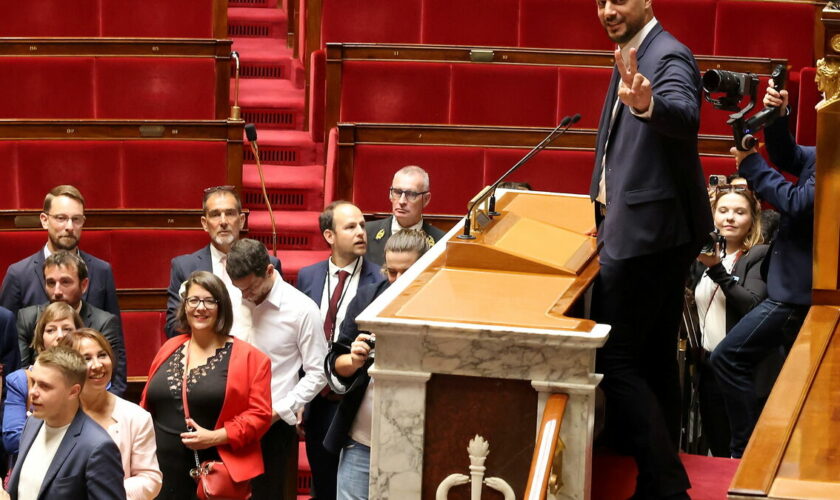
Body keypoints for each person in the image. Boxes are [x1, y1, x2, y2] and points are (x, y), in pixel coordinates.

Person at [587, 1, 712, 498]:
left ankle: (666, 480)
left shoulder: (668, 55)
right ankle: (658, 479)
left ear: (647, 1)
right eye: (600, 2)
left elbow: (683, 114)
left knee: (614, 359)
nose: (608, 10)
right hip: (649, 228)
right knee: (655, 355)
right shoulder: (632, 53)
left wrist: (646, 105)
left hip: (648, 234)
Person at [711, 79, 815, 458]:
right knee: (797, 383)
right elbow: (790, 157)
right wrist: (778, 116)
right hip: (791, 286)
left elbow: (796, 201)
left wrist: (749, 163)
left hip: (799, 293)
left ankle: (749, 454)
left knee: (728, 357)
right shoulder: (830, 150)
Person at [141, 271, 272, 499]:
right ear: (185, 306)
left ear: (222, 307)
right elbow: (147, 403)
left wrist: (216, 436)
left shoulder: (253, 358)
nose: (200, 308)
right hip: (160, 471)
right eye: (193, 300)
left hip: (214, 474)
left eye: (210, 300)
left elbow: (260, 415)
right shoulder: (169, 347)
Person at [324, 230, 430, 500]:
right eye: (391, 272)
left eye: (406, 272)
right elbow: (336, 364)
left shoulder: (440, 307)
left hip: (418, 444)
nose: (397, 281)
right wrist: (355, 360)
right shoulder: (368, 298)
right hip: (361, 441)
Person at [226, 239, 328, 500]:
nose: (245, 296)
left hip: (272, 423)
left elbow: (318, 372)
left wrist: (280, 410)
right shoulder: (233, 297)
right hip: (227, 417)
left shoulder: (302, 309)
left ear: (269, 271)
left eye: (250, 288)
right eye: (240, 289)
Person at [296, 201, 385, 500]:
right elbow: (299, 338)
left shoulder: (381, 280)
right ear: (329, 236)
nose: (361, 232)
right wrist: (300, 398)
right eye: (350, 227)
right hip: (318, 398)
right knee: (322, 485)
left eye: (362, 225)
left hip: (354, 399)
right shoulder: (308, 276)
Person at [688, 185, 768, 457]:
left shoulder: (758, 256)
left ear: (752, 221)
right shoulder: (702, 259)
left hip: (739, 371)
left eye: (739, 212)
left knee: (743, 452)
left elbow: (752, 304)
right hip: (708, 368)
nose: (730, 218)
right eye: (722, 211)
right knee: (718, 448)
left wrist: (716, 269)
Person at [6, 346, 126, 499]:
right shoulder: (32, 424)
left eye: (44, 386)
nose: (33, 392)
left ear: (73, 391)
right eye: (33, 382)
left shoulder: (98, 447)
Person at [165, 185, 282, 338]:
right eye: (215, 215)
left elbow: (278, 319)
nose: (223, 221)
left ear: (241, 221)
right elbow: (173, 327)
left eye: (230, 213)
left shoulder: (268, 264)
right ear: (204, 223)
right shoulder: (185, 267)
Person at [60, 328, 162, 500]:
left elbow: (150, 479)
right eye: (86, 358)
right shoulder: (56, 413)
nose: (98, 365)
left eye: (102, 355)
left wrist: (102, 491)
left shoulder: (136, 417)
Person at [0, 185, 120, 319]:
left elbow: (113, 334)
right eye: (61, 218)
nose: (69, 227)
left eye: (76, 219)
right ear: (44, 220)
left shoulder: (102, 271)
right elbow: (6, 334)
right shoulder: (18, 274)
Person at [16, 251, 127, 395]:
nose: (57, 291)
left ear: (84, 285)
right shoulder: (28, 317)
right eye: (51, 283)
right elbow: (22, 376)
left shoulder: (104, 322)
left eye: (65, 282)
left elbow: (115, 382)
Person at [3, 302, 83, 462]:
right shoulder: (20, 381)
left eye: (67, 329)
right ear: (41, 337)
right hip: (31, 465)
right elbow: (12, 440)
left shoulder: (89, 380)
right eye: (51, 330)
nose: (60, 335)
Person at [364, 166, 445, 265]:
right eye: (397, 192)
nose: (402, 201)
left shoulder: (441, 242)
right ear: (390, 194)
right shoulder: (366, 233)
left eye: (411, 194)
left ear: (426, 199)